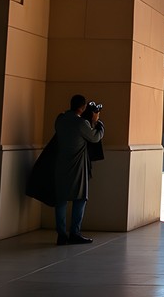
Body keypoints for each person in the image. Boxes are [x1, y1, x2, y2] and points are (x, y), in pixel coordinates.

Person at [53, 94, 104, 245]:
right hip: (77, 167)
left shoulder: (60, 120)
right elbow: (94, 137)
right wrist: (97, 122)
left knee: (61, 200)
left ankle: (61, 235)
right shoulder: (81, 123)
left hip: (60, 164)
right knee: (80, 198)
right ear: (82, 107)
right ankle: (75, 233)